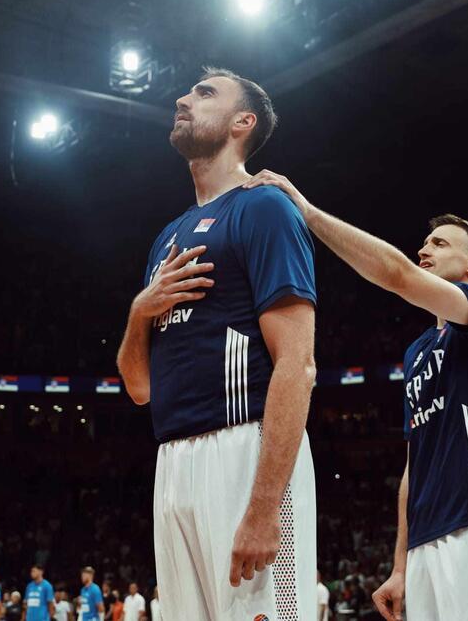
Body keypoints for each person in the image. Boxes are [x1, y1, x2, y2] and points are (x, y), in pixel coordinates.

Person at [245, 173, 468, 621]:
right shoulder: (417, 352)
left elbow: (397, 275)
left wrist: (306, 210)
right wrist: (400, 564)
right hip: (425, 544)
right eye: (425, 243)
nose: (424, 250)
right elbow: (412, 463)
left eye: (439, 244)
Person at [116, 67, 317, 621]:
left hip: (243, 449)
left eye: (204, 93)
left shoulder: (264, 207)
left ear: (241, 123)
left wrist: (264, 505)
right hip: (172, 458)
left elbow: (297, 365)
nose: (182, 98)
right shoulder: (167, 237)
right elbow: (138, 388)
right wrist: (138, 313)